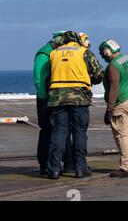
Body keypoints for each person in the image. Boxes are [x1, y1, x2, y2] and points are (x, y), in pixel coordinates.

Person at [46, 31, 103, 179]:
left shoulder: (54, 53)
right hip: (80, 98)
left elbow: (48, 75)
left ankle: (54, 169)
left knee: (59, 132)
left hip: (57, 98)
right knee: (79, 132)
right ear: (78, 40)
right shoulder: (84, 52)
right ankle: (80, 168)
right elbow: (99, 74)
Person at [99, 39, 128, 177]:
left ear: (107, 51)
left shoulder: (113, 66)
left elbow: (114, 87)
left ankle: (127, 167)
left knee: (122, 134)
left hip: (121, 102)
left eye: (102, 53)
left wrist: (109, 109)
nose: (102, 56)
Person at [33, 31, 74, 176]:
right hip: (47, 99)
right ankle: (45, 165)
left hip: (57, 98)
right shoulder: (44, 55)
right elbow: (39, 78)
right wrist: (45, 99)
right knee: (47, 131)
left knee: (62, 130)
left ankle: (67, 163)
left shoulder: (56, 53)